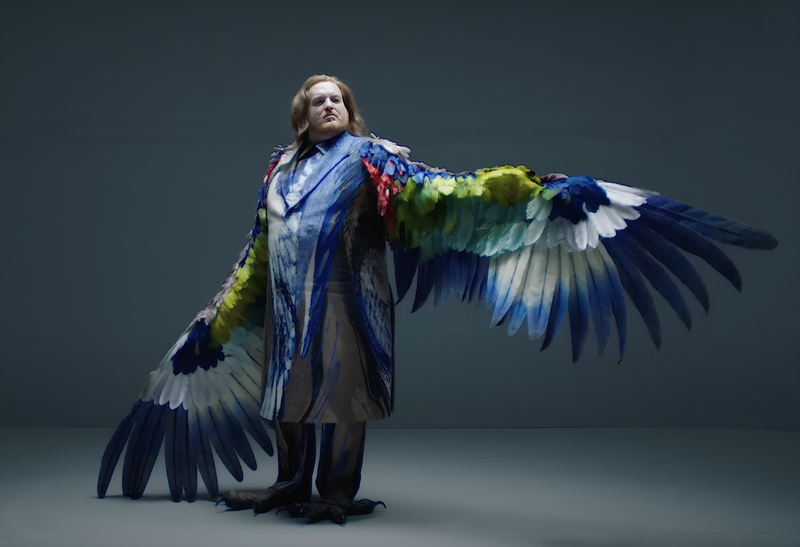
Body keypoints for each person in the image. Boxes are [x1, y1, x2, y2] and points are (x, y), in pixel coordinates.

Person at [219, 75, 395, 523]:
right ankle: (289, 482)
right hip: (286, 299)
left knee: (343, 392)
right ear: (303, 115)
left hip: (347, 298)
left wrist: (521, 190)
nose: (330, 105)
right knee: (287, 392)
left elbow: (437, 190)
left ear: (350, 110)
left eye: (338, 99)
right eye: (319, 100)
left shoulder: (371, 157)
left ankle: (336, 492)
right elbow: (261, 235)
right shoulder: (280, 166)